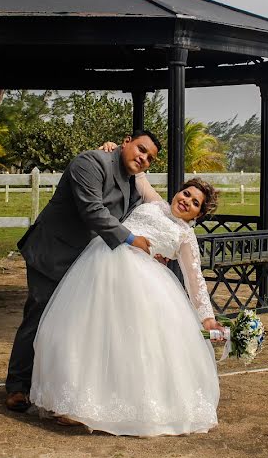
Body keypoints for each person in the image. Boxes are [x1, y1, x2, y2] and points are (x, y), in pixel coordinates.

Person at [30, 173, 224, 436]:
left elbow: (195, 278)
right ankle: (76, 403)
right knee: (85, 334)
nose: (187, 201)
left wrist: (207, 318)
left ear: (198, 215)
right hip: (100, 265)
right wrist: (113, 147)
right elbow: (138, 176)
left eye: (195, 203)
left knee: (125, 346)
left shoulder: (185, 235)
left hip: (142, 284)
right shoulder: (156, 204)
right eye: (186, 194)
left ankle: (107, 407)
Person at [4, 131, 161, 413]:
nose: (143, 158)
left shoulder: (133, 182)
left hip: (86, 263)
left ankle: (56, 389)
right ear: (126, 141)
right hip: (52, 254)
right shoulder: (90, 163)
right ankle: (18, 385)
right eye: (141, 149)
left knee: (73, 326)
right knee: (39, 317)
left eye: (149, 158)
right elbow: (92, 210)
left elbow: (146, 210)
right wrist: (130, 239)